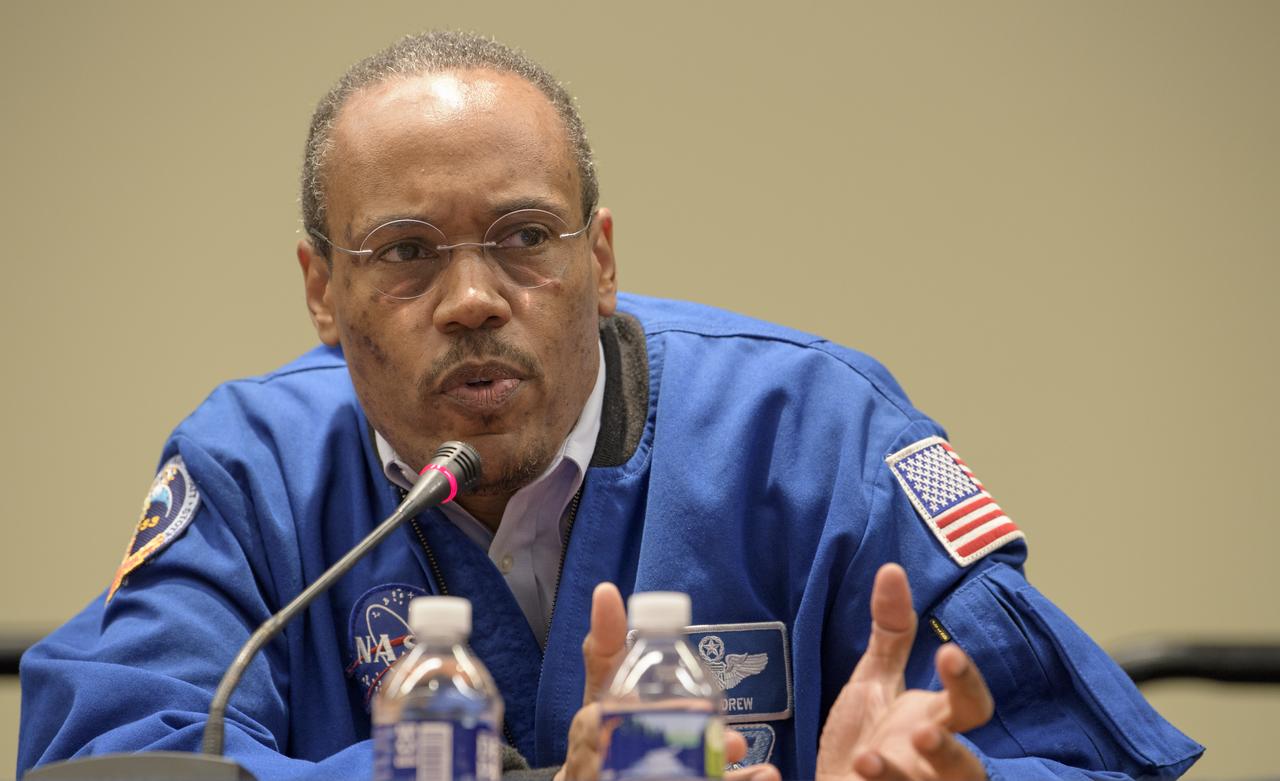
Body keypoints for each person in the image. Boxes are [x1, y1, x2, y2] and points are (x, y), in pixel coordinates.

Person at [18, 31, 1201, 781]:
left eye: (524, 237)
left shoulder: (814, 432)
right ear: (323, 289)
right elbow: (113, 762)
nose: (473, 299)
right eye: (406, 252)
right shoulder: (251, 469)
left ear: (601, 259)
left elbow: (1073, 750)